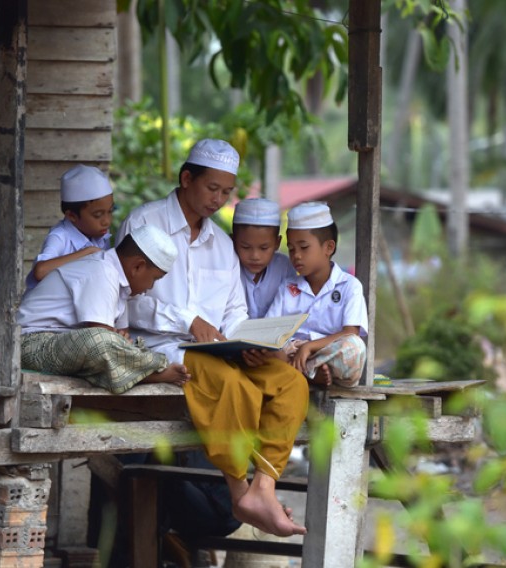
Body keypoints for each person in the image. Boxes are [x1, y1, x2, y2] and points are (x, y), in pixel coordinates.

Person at [117, 139, 308, 537]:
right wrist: (190, 320)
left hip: (218, 349)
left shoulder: (223, 244)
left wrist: (253, 340)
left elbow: (234, 310)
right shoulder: (145, 224)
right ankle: (239, 489)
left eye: (227, 191)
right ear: (187, 178)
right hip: (159, 348)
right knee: (231, 384)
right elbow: (125, 299)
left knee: (289, 382)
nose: (219, 199)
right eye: (212, 188)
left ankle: (264, 486)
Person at [16, 224, 190, 394]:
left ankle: (143, 371)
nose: (151, 287)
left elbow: (122, 338)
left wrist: (123, 340)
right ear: (137, 266)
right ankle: (151, 372)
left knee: (115, 343)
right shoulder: (102, 269)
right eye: (155, 278)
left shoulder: (123, 288)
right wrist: (117, 339)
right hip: (29, 344)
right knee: (101, 342)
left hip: (66, 347)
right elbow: (100, 337)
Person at [263, 201, 369, 388]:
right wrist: (294, 348)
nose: (296, 255)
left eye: (304, 247)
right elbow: (269, 330)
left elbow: (350, 333)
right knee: (267, 348)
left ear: (328, 247)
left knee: (354, 348)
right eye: (292, 248)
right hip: (291, 352)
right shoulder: (287, 287)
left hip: (327, 352)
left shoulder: (349, 285)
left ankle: (305, 370)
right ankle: (311, 373)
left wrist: (309, 347)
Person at [24, 164, 116, 292]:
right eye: (98, 215)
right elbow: (40, 271)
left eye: (111, 211)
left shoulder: (100, 233)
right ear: (71, 215)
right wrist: (87, 253)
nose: (107, 221)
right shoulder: (60, 236)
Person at [232, 198, 296, 319]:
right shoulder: (229, 267)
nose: (255, 256)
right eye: (246, 247)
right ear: (233, 241)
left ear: (277, 243)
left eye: (264, 248)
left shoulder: (285, 268)